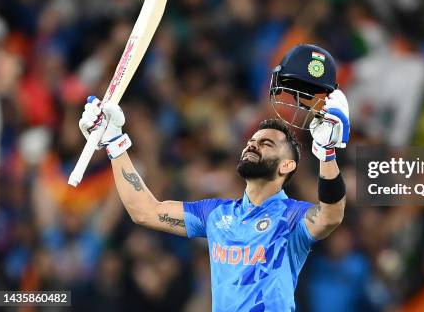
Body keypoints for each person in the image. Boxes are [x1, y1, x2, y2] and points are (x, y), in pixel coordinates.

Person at [78, 88, 350, 311]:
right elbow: (145, 211)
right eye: (251, 141)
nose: (252, 144)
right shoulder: (216, 214)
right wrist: (114, 141)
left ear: (286, 166)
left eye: (266, 144)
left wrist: (327, 153)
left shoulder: (291, 217)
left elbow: (331, 214)